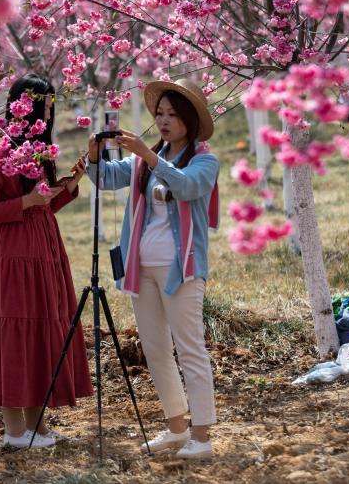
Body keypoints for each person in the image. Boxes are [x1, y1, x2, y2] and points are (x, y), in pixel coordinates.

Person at [85, 79, 220, 460]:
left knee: (189, 349)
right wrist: (94, 156)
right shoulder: (145, 161)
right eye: (159, 113)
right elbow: (106, 180)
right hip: (140, 267)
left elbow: (189, 187)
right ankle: (177, 428)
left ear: (189, 121)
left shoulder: (204, 160)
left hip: (181, 268)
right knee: (156, 349)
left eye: (172, 115)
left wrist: (149, 156)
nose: (163, 121)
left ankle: (202, 436)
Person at [0, 74, 93, 449]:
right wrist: (26, 202)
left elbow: (44, 204)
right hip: (14, 254)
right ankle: (14, 432)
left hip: (43, 249)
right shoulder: (0, 149)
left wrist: (69, 185)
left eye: (48, 102)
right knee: (15, 333)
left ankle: (37, 427)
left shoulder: (40, 146)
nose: (46, 108)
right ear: (19, 104)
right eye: (40, 101)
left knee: (41, 331)